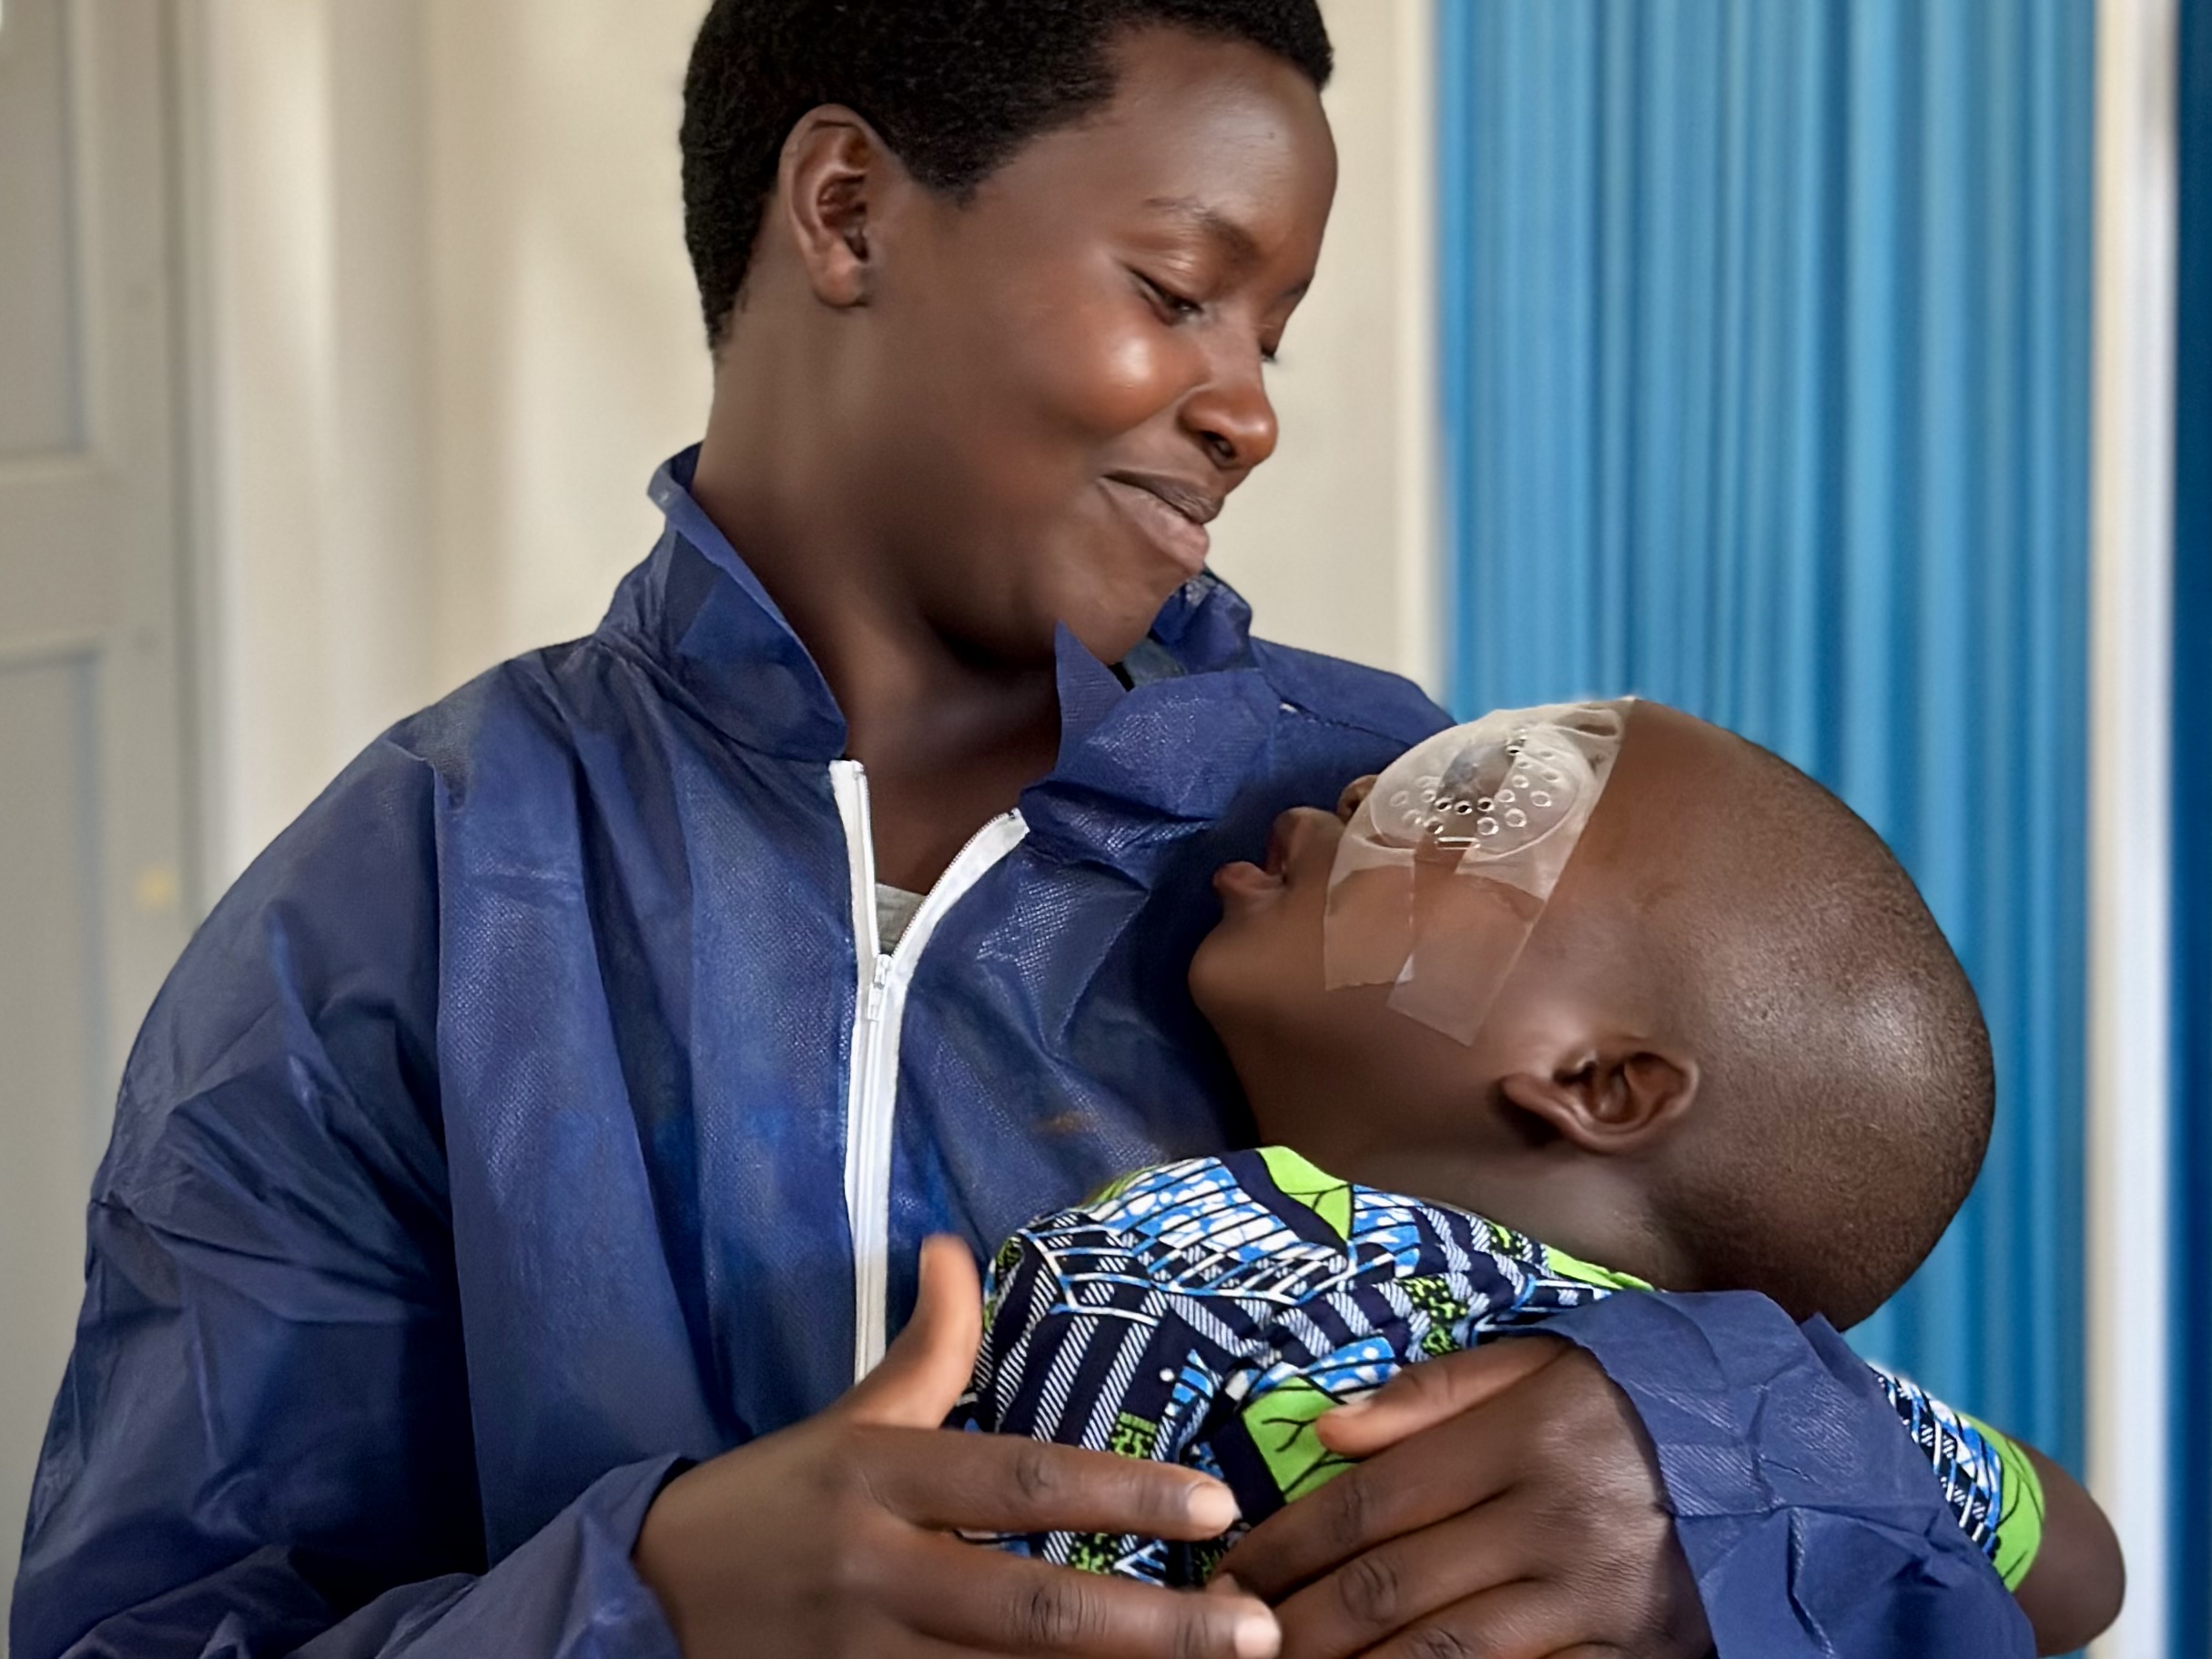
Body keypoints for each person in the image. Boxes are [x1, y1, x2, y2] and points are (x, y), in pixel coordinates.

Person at [7, 6, 2048, 1657]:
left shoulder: (1349, 831)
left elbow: (1959, 1468)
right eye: (1181, 287)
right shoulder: (403, 896)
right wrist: (657, 1602)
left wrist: (1687, 1467)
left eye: (1279, 334)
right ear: (846, 211)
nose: (1252, 409)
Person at [951, 700, 2125, 1656]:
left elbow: (2084, 1567)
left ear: (1599, 1082)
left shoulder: (1730, 1382)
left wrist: (1731, 1447)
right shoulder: (1774, 1393)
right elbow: (2071, 1563)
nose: (1368, 789)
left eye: (1483, 804)